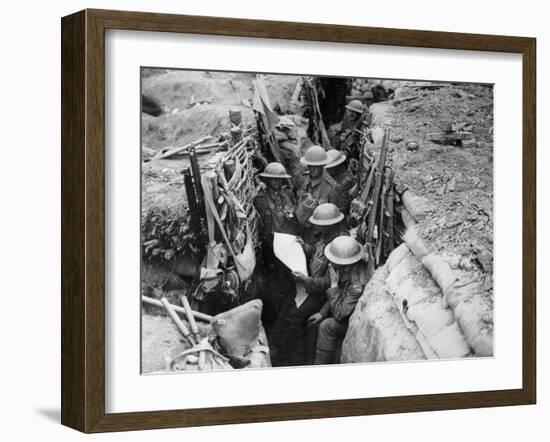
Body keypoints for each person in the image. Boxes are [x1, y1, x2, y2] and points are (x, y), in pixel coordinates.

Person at [270, 204, 348, 366]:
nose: (315, 226)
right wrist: (305, 247)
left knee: (294, 316)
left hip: (320, 295)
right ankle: (276, 348)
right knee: (285, 307)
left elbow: (329, 282)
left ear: (328, 225)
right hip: (308, 285)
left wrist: (305, 281)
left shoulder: (339, 245)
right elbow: (316, 251)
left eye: (318, 223)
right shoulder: (325, 237)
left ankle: (291, 358)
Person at [253, 162, 299, 328]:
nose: (276, 183)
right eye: (273, 179)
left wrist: (291, 215)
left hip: (288, 245)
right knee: (272, 285)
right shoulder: (260, 199)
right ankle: (271, 320)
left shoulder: (288, 195)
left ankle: (286, 319)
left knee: (289, 281)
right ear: (268, 180)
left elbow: (295, 217)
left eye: (279, 180)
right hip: (271, 249)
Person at [313, 235, 370, 365]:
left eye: (335, 264)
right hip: (344, 310)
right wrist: (322, 312)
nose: (331, 266)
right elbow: (341, 295)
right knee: (314, 322)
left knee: (326, 326)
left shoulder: (358, 285)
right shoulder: (350, 269)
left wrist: (334, 284)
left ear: (345, 265)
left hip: (350, 321)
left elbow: (339, 314)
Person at [296, 145, 344, 240]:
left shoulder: (332, 188)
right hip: (303, 233)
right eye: (310, 166)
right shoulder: (303, 180)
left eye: (316, 166)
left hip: (320, 237)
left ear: (322, 165)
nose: (312, 169)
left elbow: (335, 221)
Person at [324, 149, 356, 215]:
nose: (327, 170)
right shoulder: (345, 175)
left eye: (328, 168)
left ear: (335, 167)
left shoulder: (343, 183)